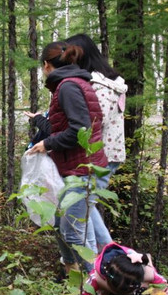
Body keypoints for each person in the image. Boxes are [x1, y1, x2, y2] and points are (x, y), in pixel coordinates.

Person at [26, 42, 109, 273]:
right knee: (80, 230)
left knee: (76, 233)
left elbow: (80, 131)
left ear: (46, 65)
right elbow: (65, 126)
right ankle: (99, 283)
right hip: (81, 169)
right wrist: (41, 123)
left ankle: (94, 287)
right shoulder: (74, 83)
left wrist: (46, 143)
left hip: (82, 172)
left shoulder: (67, 87)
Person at [63, 34, 127, 249]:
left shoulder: (101, 86)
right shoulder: (109, 83)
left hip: (99, 159)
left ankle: (93, 273)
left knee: (78, 216)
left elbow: (92, 124)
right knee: (86, 210)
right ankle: (112, 257)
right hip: (105, 156)